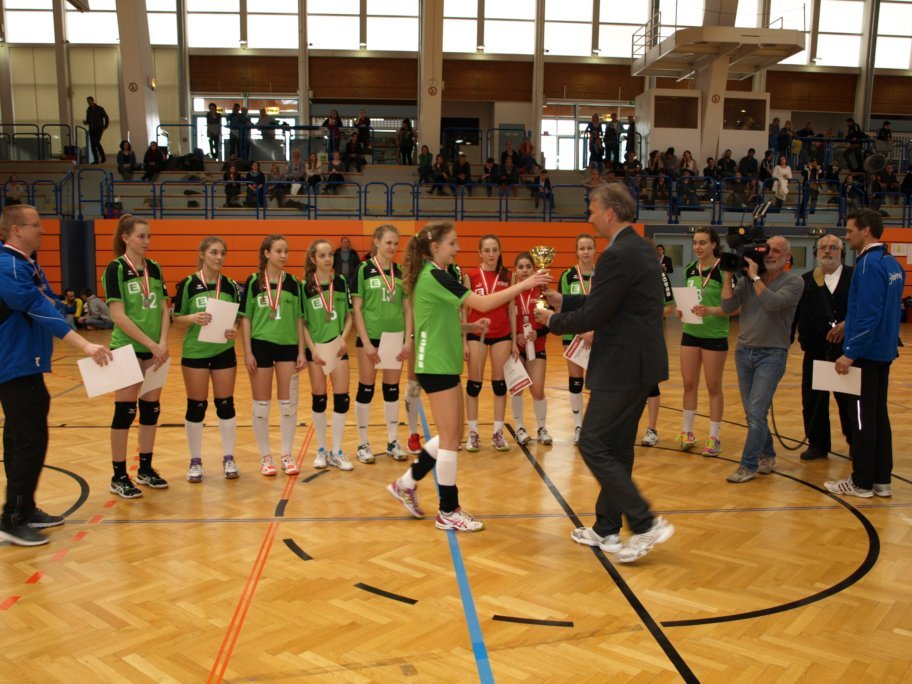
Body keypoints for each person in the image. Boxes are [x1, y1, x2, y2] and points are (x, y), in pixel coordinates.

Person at [534, 183, 674, 563]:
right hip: (642, 364)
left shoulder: (615, 255)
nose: (590, 216)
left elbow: (596, 314)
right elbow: (612, 300)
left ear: (610, 212)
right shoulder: (641, 248)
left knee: (593, 442)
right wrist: (567, 300)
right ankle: (607, 528)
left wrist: (552, 320)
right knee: (618, 448)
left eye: (593, 209)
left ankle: (645, 522)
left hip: (622, 366)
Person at [387, 221, 549, 532]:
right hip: (435, 363)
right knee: (451, 439)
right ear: (435, 247)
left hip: (442, 362)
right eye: (452, 243)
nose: (457, 248)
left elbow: (436, 319)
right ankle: (448, 510)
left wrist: (470, 327)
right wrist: (525, 284)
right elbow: (483, 302)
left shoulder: (435, 274)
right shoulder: (434, 275)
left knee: (452, 434)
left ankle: (406, 483)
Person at [0, 205, 111, 546]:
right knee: (29, 440)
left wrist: (59, 305)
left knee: (20, 437)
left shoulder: (26, 264)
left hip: (27, 363)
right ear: (17, 229)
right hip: (14, 363)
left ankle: (24, 508)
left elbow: (50, 301)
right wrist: (85, 345)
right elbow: (40, 309)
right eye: (36, 225)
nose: (43, 230)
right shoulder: (8, 266)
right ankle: (13, 519)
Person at [826, 210, 904, 498]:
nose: (847, 236)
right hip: (884, 351)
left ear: (866, 230)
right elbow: (880, 309)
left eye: (850, 231)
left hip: (867, 354)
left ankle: (861, 482)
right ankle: (881, 479)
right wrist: (850, 322)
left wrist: (850, 352)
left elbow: (870, 314)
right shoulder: (891, 262)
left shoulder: (868, 264)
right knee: (878, 416)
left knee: (862, 420)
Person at [720, 236, 803, 483]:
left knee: (756, 410)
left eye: (776, 251)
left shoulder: (794, 281)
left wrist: (755, 277)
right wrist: (728, 275)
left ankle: (748, 465)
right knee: (752, 412)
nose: (770, 254)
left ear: (787, 256)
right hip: (744, 351)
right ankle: (767, 454)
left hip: (772, 354)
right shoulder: (747, 281)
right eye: (767, 250)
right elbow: (727, 307)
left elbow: (773, 303)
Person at [104, 215, 171, 498]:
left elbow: (165, 309)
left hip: (156, 351)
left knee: (150, 410)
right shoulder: (116, 268)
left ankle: (145, 468)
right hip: (127, 349)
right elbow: (118, 315)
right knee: (125, 412)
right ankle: (119, 475)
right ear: (126, 238)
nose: (146, 241)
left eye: (149, 236)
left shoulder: (154, 267)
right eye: (141, 236)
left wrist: (163, 343)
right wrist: (151, 344)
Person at [172, 237, 241, 482]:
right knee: (196, 406)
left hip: (223, 350)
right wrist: (193, 318)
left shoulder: (230, 285)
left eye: (222, 253)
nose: (219, 257)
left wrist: (234, 329)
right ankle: (195, 461)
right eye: (214, 252)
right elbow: (176, 319)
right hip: (195, 353)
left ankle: (229, 457)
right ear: (202, 254)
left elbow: (237, 317)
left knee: (226, 404)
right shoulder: (188, 284)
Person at [239, 234, 306, 477]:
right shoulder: (254, 281)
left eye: (286, 251)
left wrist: (301, 351)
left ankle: (286, 454)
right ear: (267, 254)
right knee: (261, 404)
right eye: (278, 251)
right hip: (260, 346)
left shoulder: (294, 283)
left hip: (288, 346)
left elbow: (299, 319)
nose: (283, 255)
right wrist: (247, 351)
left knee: (288, 404)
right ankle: (265, 457)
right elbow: (245, 318)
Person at [350, 226, 412, 464]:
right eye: (388, 242)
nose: (392, 247)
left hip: (395, 337)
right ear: (376, 242)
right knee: (366, 389)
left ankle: (393, 441)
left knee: (391, 389)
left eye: (396, 243)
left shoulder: (400, 272)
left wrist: (407, 339)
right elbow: (356, 309)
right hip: (371, 338)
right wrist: (366, 342)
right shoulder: (363, 269)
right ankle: (363, 442)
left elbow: (407, 308)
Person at [794, 234, 853, 461]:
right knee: (812, 401)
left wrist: (848, 325)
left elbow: (864, 310)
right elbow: (795, 315)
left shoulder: (854, 277)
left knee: (848, 402)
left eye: (833, 247)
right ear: (816, 252)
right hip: (815, 351)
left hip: (846, 353)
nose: (827, 251)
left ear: (841, 252)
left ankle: (855, 443)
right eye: (823, 248)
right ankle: (817, 444)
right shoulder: (805, 281)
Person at [675, 228, 732, 456]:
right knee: (689, 384)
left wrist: (711, 310)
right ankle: (687, 432)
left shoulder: (724, 271)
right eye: (695, 243)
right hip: (690, 332)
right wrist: (681, 310)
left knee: (713, 386)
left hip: (715, 335)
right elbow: (689, 301)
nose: (697, 247)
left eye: (703, 243)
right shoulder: (690, 269)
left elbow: (734, 308)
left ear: (714, 245)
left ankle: (714, 437)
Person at [302, 239, 354, 471]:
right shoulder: (305, 286)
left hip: (338, 347)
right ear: (313, 259)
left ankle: (337, 450)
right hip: (316, 350)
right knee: (319, 399)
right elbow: (302, 323)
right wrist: (312, 350)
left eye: (330, 254)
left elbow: (350, 315)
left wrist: (344, 338)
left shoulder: (341, 281)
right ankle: (321, 449)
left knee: (342, 399)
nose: (327, 259)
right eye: (322, 255)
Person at [463, 235, 515, 452]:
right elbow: (464, 310)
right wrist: (464, 341)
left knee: (499, 385)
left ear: (500, 251)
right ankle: (473, 433)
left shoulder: (508, 276)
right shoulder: (471, 276)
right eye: (487, 250)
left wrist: (514, 341)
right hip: (477, 334)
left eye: (495, 250)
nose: (491, 254)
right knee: (474, 385)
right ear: (480, 253)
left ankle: (498, 433)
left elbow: (511, 309)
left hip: (502, 334)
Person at [509, 252, 552, 446]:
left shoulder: (541, 291)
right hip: (516, 349)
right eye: (521, 267)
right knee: (517, 389)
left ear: (534, 269)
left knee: (537, 389)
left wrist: (538, 333)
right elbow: (504, 320)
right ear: (515, 271)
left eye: (528, 267)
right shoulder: (511, 292)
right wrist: (514, 336)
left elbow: (551, 321)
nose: (524, 270)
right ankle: (519, 428)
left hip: (538, 347)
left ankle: (542, 428)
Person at [558, 234, 597, 445]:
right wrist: (581, 331)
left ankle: (594, 427)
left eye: (589, 248)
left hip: (598, 336)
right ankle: (578, 426)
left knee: (597, 382)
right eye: (582, 248)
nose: (585, 252)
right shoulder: (567, 276)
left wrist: (594, 330)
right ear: (576, 251)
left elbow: (608, 306)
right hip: (573, 336)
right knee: (576, 380)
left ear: (595, 250)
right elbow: (562, 308)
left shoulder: (603, 276)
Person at [84, 96, 109, 164]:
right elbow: (88, 120)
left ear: (93, 101)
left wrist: (105, 126)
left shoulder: (100, 108)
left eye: (89, 101)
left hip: (98, 128)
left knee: (96, 142)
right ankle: (96, 160)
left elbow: (106, 117)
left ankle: (103, 157)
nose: (88, 103)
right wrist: (86, 122)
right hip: (91, 129)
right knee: (92, 145)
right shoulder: (88, 109)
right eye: (87, 102)